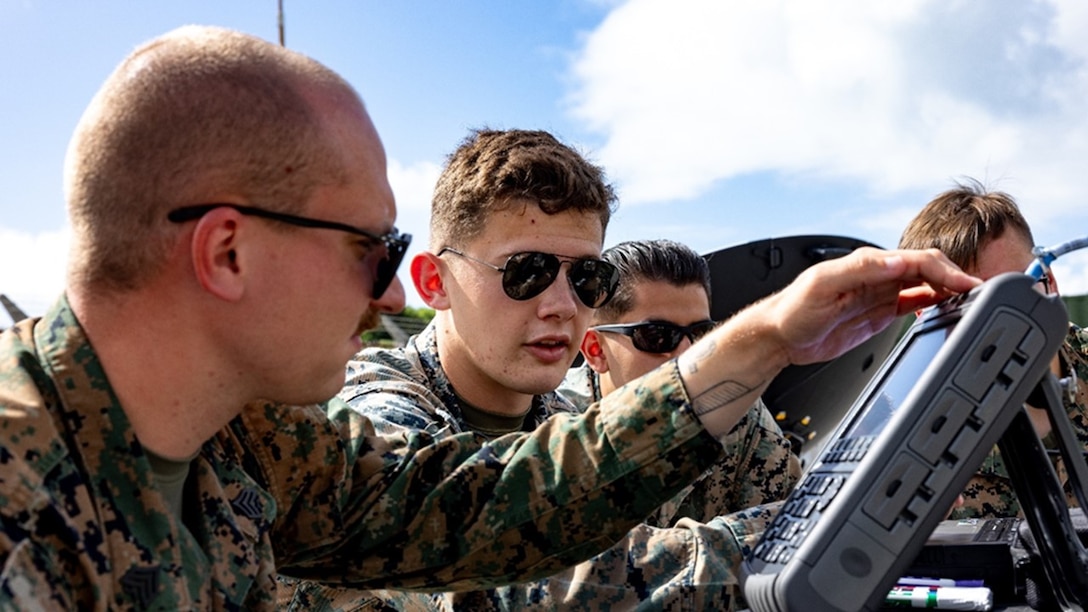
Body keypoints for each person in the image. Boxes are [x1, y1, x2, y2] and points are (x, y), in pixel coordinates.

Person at [0, 26, 979, 610]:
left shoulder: (249, 441)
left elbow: (480, 511)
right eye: (365, 251)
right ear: (226, 251)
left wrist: (766, 339)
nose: (386, 297)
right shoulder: (19, 496)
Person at [279, 130, 972, 611]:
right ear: (433, 282)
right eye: (525, 272)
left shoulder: (564, 423)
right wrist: (825, 529)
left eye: (586, 276)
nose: (560, 304)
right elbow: (504, 585)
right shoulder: (375, 407)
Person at [560, 238, 801, 527]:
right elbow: (599, 567)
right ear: (596, 350)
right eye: (657, 336)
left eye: (700, 335)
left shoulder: (736, 413)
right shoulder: (558, 431)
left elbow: (791, 528)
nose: (689, 355)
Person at [899, 178, 1088, 519]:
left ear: (1050, 283)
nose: (998, 326)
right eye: (965, 306)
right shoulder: (906, 444)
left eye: (1012, 292)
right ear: (924, 318)